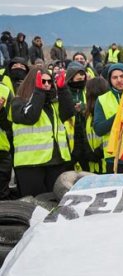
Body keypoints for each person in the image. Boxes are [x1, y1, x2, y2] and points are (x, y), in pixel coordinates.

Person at [12, 68, 74, 196]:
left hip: (56, 161)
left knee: (56, 203)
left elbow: (68, 112)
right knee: (35, 205)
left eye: (49, 81)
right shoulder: (18, 102)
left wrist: (63, 89)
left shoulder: (53, 103)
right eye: (42, 81)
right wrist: (38, 92)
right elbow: (30, 116)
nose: (46, 84)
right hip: (30, 165)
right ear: (32, 83)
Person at [64, 62, 91, 172]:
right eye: (78, 74)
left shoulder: (88, 90)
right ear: (71, 77)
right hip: (71, 136)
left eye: (82, 73)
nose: (81, 76)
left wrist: (85, 107)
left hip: (86, 135)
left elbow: (94, 105)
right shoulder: (64, 92)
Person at [84, 78, 110, 173]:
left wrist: (98, 152)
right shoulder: (88, 114)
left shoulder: (107, 110)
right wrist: (88, 153)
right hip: (93, 167)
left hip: (107, 165)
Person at [0, 82, 12, 199]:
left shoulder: (5, 90)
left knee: (3, 195)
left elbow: (9, 125)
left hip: (2, 151)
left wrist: (1, 112)